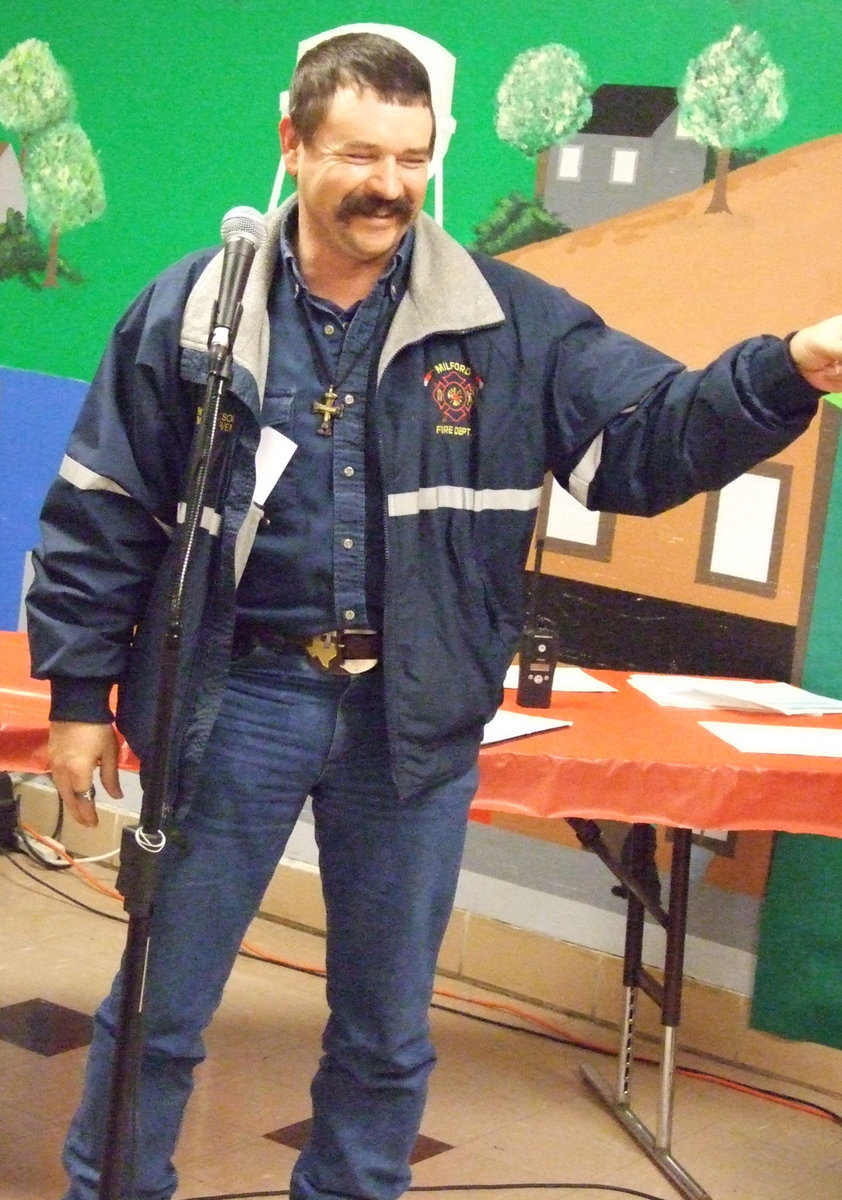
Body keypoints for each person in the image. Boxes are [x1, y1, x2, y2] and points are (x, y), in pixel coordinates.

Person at [26, 30, 842, 1200]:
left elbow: (644, 449)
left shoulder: (513, 324)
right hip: (232, 701)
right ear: (292, 143)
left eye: (412, 156)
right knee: (159, 1006)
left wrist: (784, 369)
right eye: (359, 153)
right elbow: (103, 511)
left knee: (385, 1031)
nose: (389, 184)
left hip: (408, 722)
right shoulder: (194, 312)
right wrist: (76, 697)